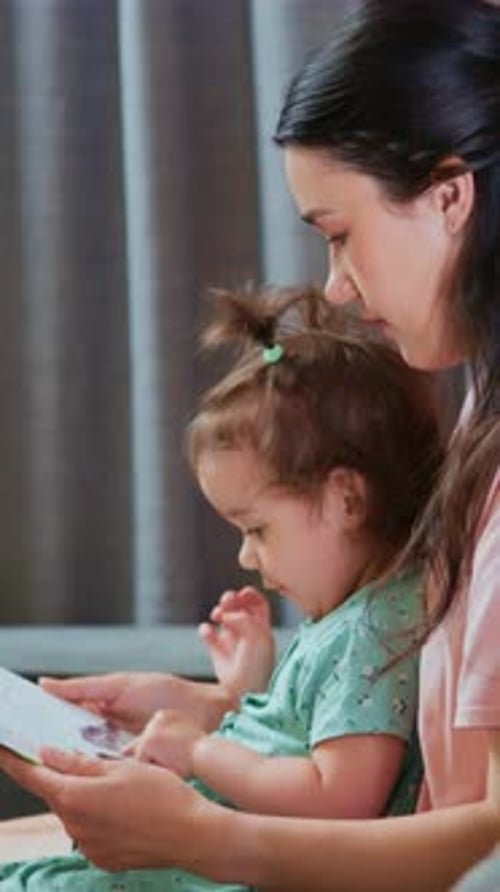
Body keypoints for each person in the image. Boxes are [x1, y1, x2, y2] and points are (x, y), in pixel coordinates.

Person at [1, 0, 500, 888]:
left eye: (341, 236)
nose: (337, 289)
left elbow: (485, 842)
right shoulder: (477, 432)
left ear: (450, 196)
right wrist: (214, 704)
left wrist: (199, 834)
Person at [0, 286, 441, 890]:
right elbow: (302, 743)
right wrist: (244, 695)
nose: (246, 554)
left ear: (346, 498)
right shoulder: (357, 614)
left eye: (257, 529)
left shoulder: (375, 628)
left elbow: (339, 798)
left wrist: (200, 750)